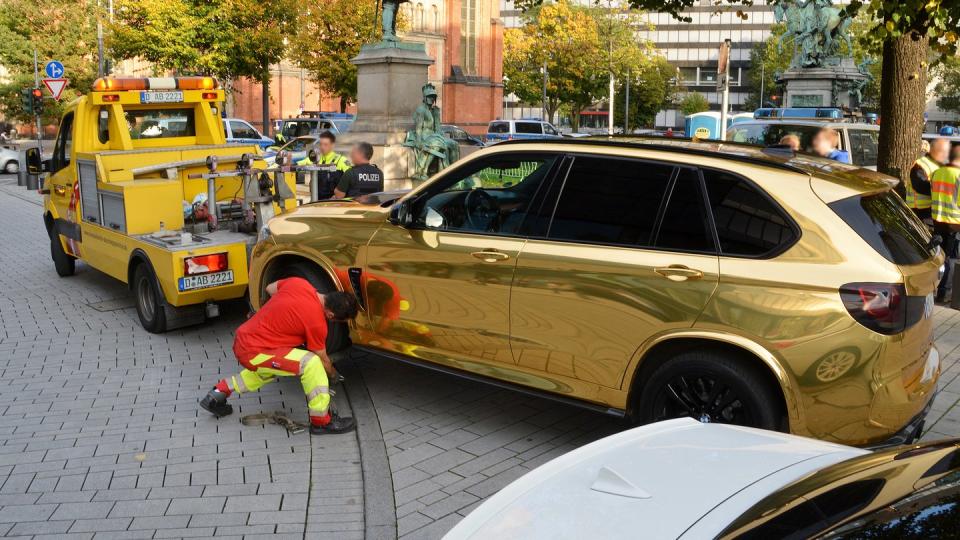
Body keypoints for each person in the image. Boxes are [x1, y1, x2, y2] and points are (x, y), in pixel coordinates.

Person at [199, 278, 360, 434]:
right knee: (311, 363)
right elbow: (322, 357)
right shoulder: (317, 322)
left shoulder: (300, 284)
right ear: (331, 315)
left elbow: (270, 288)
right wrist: (333, 375)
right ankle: (322, 422)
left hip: (245, 339)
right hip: (254, 350)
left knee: (269, 369)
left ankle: (217, 394)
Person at [930, 145, 960, 302]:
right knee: (951, 259)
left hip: (938, 219)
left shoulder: (937, 172)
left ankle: (934, 287)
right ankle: (944, 293)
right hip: (954, 224)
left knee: (938, 256)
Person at [298, 131, 351, 199]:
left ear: (332, 145)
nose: (322, 147)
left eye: (325, 144)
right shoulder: (315, 159)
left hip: (336, 203)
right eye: (321, 144)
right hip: (317, 202)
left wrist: (338, 196)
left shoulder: (341, 160)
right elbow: (297, 165)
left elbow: (352, 181)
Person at [907, 138, 950, 221]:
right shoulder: (920, 164)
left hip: (931, 209)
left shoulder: (937, 165)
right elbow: (920, 186)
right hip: (920, 210)